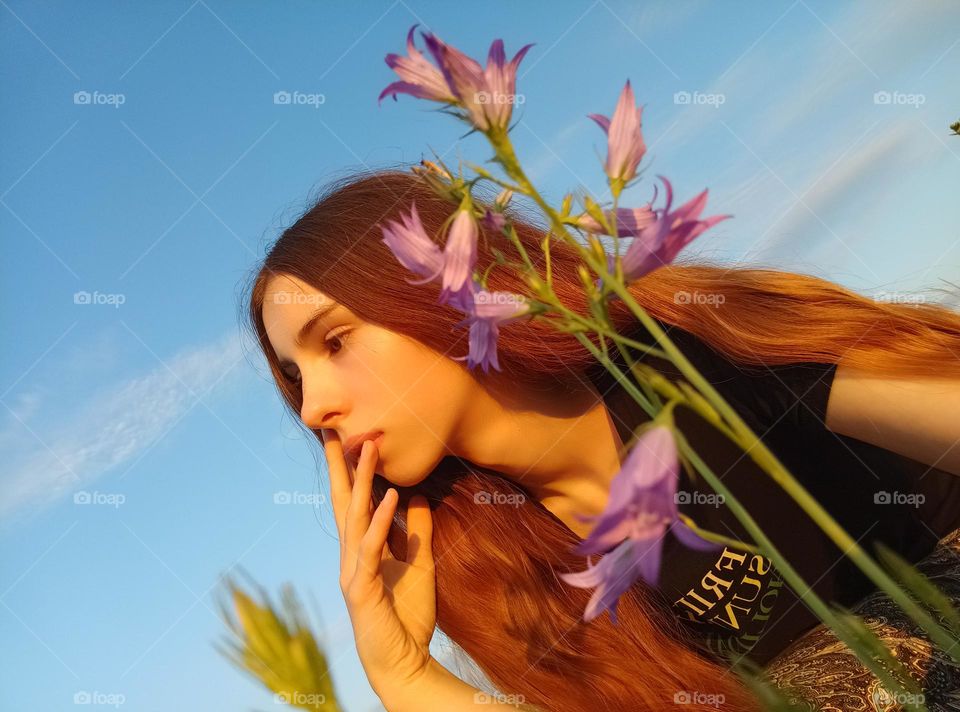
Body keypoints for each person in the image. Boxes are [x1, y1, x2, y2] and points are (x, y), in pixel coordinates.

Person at [243, 167, 960, 711]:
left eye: (335, 342)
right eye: (296, 379)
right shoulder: (487, 563)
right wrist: (405, 674)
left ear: (445, 285)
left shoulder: (686, 351)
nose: (314, 410)